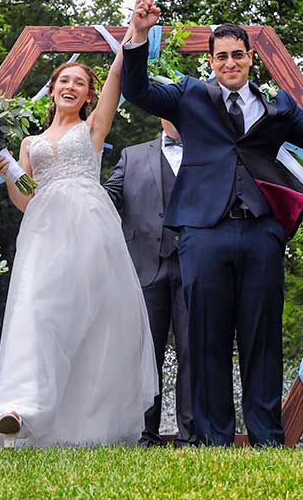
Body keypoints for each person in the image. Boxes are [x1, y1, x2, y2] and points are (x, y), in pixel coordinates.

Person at [120, 0, 303, 447]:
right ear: (210, 61)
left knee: (262, 334)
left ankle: (267, 437)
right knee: (206, 336)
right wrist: (138, 34)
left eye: (237, 54)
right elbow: (137, 90)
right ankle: (213, 436)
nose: (230, 62)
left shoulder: (278, 107)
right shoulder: (189, 96)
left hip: (262, 231)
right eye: (221, 55)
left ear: (250, 59)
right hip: (203, 232)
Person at [0, 13, 158, 448]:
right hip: (42, 232)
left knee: (86, 318)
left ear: (88, 94)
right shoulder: (28, 144)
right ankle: (18, 410)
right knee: (36, 312)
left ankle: (84, 422)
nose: (71, 87)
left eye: (79, 83)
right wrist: (6, 174)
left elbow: (117, 73)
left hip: (90, 230)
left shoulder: (93, 129)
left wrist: (138, 32)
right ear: (52, 90)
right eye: (64, 81)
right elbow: (26, 200)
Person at [104, 119, 195, 447]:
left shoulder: (211, 151)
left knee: (193, 352)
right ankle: (144, 434)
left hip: (195, 266)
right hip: (142, 265)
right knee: (144, 354)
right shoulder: (131, 156)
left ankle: (191, 436)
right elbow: (105, 198)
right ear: (159, 115)